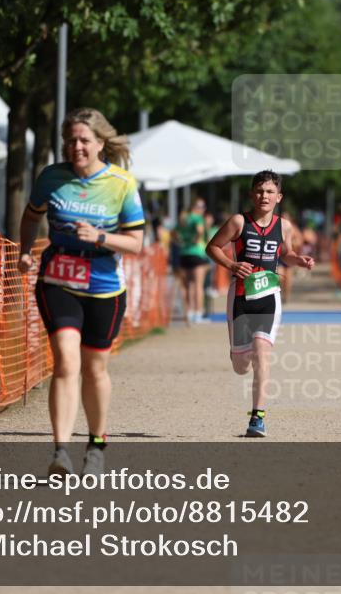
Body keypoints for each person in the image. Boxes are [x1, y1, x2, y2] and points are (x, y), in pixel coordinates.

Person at [18, 107, 144, 477]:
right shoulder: (52, 178)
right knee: (66, 360)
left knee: (94, 368)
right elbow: (31, 215)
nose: (77, 147)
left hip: (104, 287)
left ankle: (97, 444)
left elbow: (136, 242)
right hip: (58, 280)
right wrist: (25, 251)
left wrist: (101, 237)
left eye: (84, 140)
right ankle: (60, 451)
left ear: (101, 143)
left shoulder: (121, 184)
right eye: (70, 140)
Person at [206, 170, 315, 437]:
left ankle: (258, 417)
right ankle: (236, 352)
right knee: (242, 365)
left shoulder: (284, 226)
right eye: (259, 191)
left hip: (269, 296)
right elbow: (212, 247)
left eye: (269, 192)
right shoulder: (238, 222)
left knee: (263, 352)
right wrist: (232, 264)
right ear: (251, 194)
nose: (263, 196)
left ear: (278, 197)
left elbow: (285, 253)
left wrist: (298, 259)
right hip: (241, 297)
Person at [175, 199, 209, 324]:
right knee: (198, 286)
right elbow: (200, 231)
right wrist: (197, 239)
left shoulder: (183, 218)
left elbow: (174, 233)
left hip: (184, 253)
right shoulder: (197, 218)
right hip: (197, 253)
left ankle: (189, 312)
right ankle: (198, 313)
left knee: (187, 285)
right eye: (202, 206)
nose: (203, 209)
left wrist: (181, 242)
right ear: (197, 207)